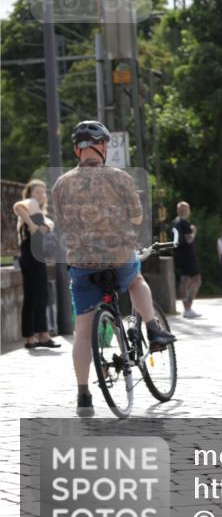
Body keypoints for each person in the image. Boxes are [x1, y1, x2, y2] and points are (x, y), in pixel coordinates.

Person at [51, 121, 176, 417]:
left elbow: (60, 223)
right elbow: (136, 217)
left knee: (82, 332)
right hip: (119, 258)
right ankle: (153, 328)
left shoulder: (61, 184)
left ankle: (83, 395)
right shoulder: (119, 179)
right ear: (103, 146)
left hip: (82, 264)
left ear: (76, 150)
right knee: (136, 281)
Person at [12, 179, 60, 349]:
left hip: (34, 256)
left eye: (43, 191)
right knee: (38, 295)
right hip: (30, 255)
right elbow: (18, 206)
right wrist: (32, 225)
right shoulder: (31, 204)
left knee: (34, 295)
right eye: (37, 191)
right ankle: (41, 336)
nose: (41, 194)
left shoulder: (41, 213)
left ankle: (33, 337)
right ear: (30, 193)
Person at [173, 201, 202, 319]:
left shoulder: (175, 222)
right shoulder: (184, 223)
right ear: (185, 211)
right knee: (196, 279)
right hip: (188, 256)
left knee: (184, 280)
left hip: (179, 255)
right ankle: (188, 308)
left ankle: (186, 308)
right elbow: (189, 239)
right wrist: (193, 231)